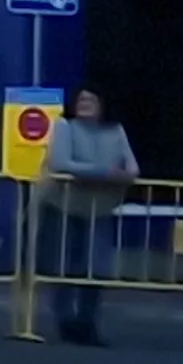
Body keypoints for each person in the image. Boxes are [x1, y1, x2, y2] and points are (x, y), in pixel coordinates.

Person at [38, 84, 140, 348]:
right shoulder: (64, 127)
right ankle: (65, 321)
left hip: (100, 208)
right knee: (63, 265)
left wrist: (110, 174)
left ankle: (88, 322)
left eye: (91, 99)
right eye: (81, 99)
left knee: (96, 269)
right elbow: (61, 163)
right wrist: (106, 173)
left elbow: (132, 167)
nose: (85, 103)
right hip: (64, 204)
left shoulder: (115, 130)